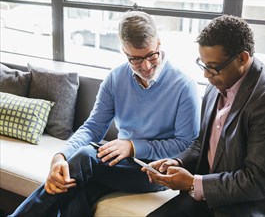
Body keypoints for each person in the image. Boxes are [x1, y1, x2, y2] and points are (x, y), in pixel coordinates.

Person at [10, 11, 200, 217]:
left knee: (86, 156)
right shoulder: (116, 78)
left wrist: (133, 146)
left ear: (159, 44)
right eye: (135, 59)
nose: (146, 66)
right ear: (124, 51)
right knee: (76, 198)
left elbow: (186, 145)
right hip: (119, 165)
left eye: (151, 55)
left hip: (156, 171)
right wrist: (60, 156)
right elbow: (93, 127)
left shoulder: (184, 86)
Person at [143, 14, 265, 217]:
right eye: (203, 65)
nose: (206, 74)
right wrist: (177, 163)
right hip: (217, 194)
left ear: (243, 58)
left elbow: (260, 182)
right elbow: (203, 143)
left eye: (213, 67)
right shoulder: (216, 85)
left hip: (260, 206)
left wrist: (192, 183)